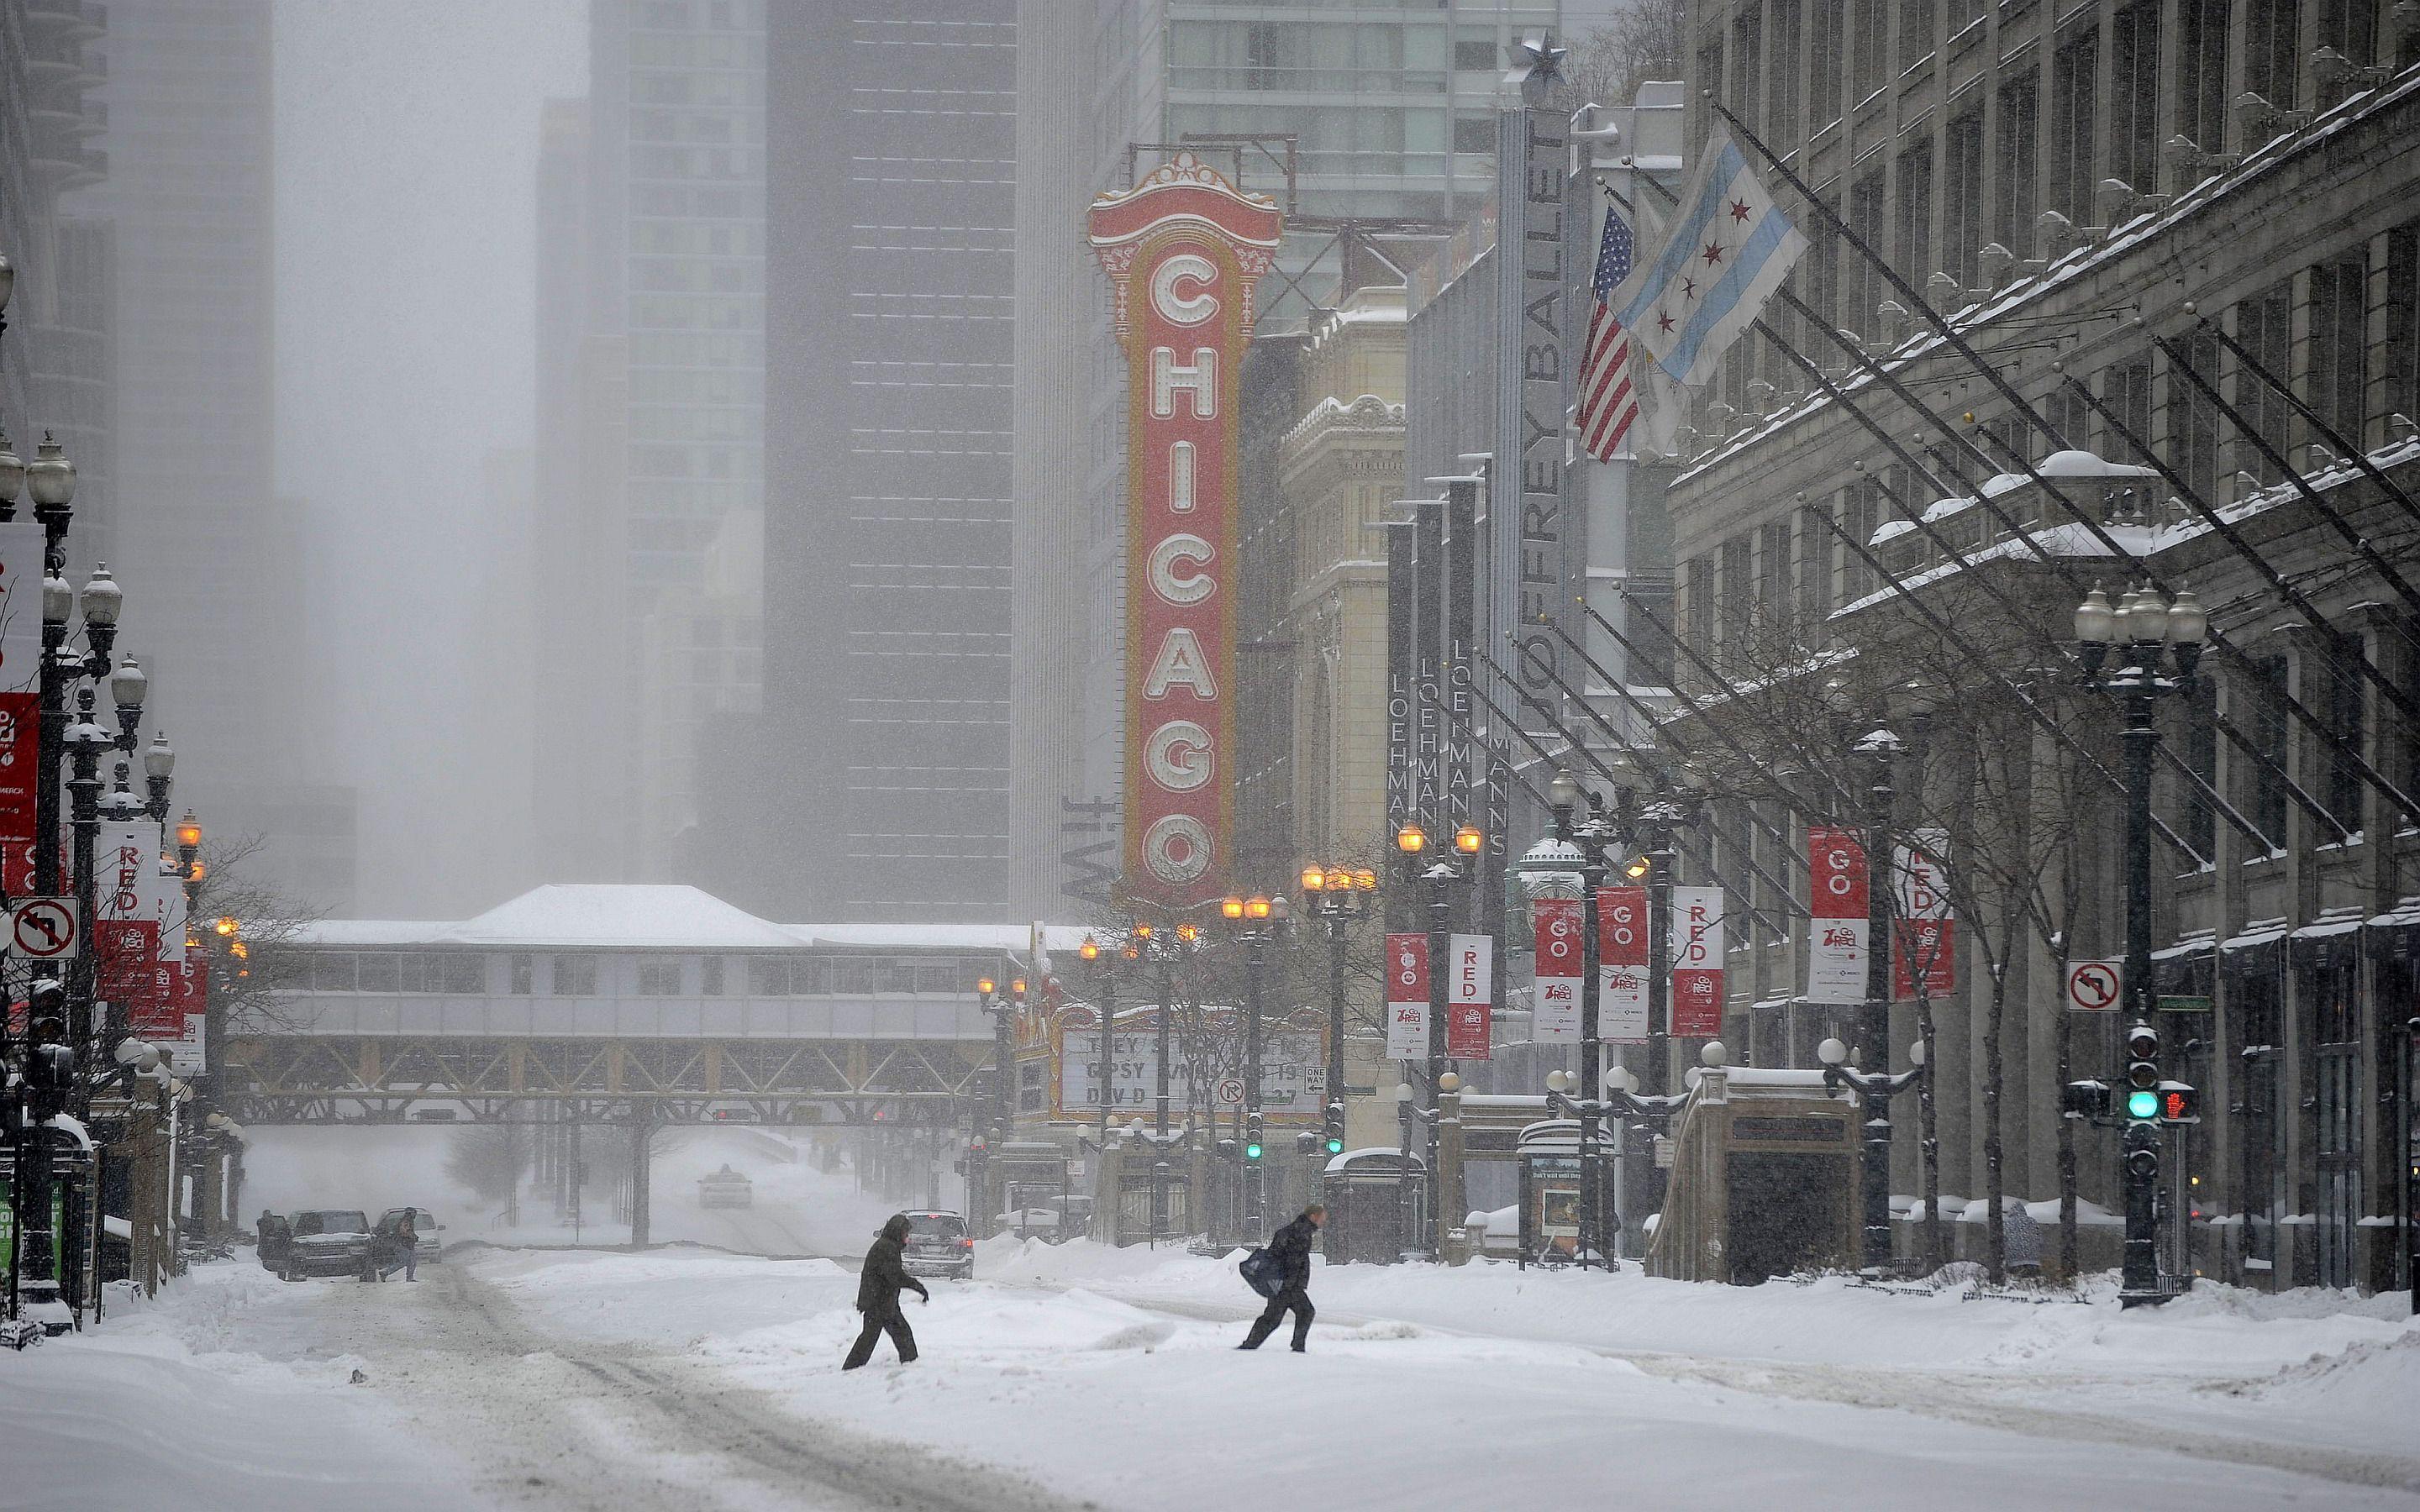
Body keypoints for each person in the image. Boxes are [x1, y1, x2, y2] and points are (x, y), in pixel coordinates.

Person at [842, 1214, 929, 1370]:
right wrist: (917, 1286)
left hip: (881, 1302)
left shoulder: (887, 1246)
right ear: (898, 1232)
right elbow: (895, 1276)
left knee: (878, 1337)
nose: (907, 1238)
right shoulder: (886, 1248)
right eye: (905, 1234)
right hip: (879, 1303)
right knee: (892, 1336)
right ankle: (911, 1365)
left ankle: (852, 1367)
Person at [1239, 1205, 1323, 1352]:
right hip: (1287, 1284)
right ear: (1313, 1217)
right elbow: (1293, 1260)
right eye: (1322, 1217)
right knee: (1304, 1312)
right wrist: (1289, 1283)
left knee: (1274, 1318)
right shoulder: (1301, 1233)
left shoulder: (1294, 1230)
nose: (1323, 1221)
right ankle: (1297, 1347)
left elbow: (1277, 1253)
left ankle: (1251, 1345)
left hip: (1281, 1282)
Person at [378, 1209, 420, 1282]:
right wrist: (413, 1237)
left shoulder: (407, 1221)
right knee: (403, 1262)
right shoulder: (406, 1221)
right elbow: (404, 1231)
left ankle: (409, 1277)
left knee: (411, 1262)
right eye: (414, 1213)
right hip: (404, 1245)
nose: (415, 1215)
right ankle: (385, 1272)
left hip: (406, 1244)